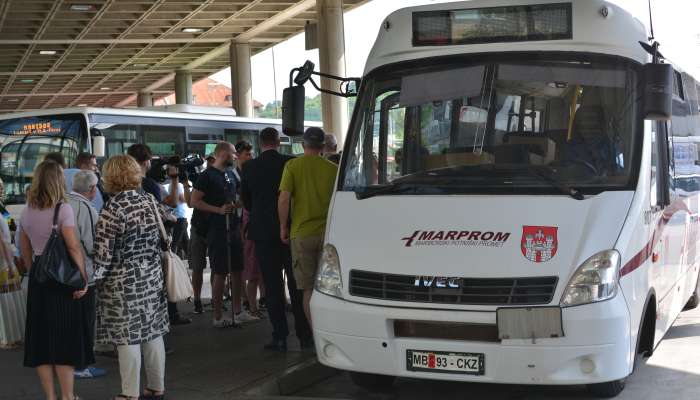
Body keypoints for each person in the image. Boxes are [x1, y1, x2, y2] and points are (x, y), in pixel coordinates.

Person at [94, 155, 169, 400]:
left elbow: (103, 255)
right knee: (152, 332)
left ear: (111, 177)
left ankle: (129, 393)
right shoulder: (148, 200)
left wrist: (88, 282)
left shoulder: (112, 208)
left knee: (128, 338)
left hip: (123, 283)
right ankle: (157, 386)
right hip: (152, 277)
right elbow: (172, 218)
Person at [19, 160, 93, 400]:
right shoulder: (63, 209)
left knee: (40, 338)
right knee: (64, 337)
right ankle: (68, 396)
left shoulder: (27, 209)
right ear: (59, 181)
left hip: (39, 276)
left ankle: (50, 396)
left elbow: (24, 247)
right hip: (61, 277)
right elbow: (73, 247)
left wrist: (34, 271)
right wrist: (82, 279)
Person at [242, 128, 312, 351]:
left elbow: (246, 201)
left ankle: (280, 336)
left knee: (272, 286)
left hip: (262, 233)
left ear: (260, 143)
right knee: (296, 285)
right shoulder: (291, 163)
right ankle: (304, 336)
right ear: (279, 142)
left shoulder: (250, 167)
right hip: (291, 231)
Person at [279, 127, 338, 327]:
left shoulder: (292, 166)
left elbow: (284, 199)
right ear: (323, 147)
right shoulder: (333, 169)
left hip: (302, 235)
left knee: (307, 290)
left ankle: (316, 334)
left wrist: (282, 227)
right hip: (329, 235)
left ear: (303, 145)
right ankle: (331, 332)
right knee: (330, 288)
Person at [126, 144, 190, 326]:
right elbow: (172, 202)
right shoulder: (148, 184)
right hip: (154, 240)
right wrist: (174, 178)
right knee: (162, 279)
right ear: (146, 162)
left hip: (133, 245)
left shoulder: (127, 183)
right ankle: (169, 316)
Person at [191, 142, 254, 327]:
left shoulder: (230, 174)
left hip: (233, 226)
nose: (235, 156)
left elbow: (235, 197)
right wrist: (217, 210)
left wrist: (238, 204)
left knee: (237, 268)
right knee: (220, 271)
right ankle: (217, 316)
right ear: (223, 153)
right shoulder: (206, 176)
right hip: (216, 229)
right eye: (233, 153)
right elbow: (194, 201)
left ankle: (238, 310)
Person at [66, 170, 107, 380]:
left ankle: (69, 363)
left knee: (70, 320)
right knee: (85, 320)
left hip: (64, 273)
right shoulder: (87, 208)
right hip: (85, 273)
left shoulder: (62, 203)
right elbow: (92, 244)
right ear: (92, 189)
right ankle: (81, 365)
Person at [235, 141, 264, 319]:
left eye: (251, 154)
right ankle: (251, 306)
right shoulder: (236, 174)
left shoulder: (246, 172)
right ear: (238, 155)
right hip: (246, 227)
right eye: (247, 154)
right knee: (252, 270)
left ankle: (253, 303)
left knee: (255, 270)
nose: (250, 157)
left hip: (247, 224)